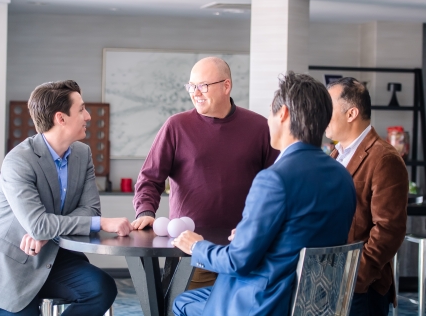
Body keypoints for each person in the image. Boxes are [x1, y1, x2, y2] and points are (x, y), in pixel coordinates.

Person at [171, 72, 357, 316]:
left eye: (271, 113)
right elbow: (302, 236)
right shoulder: (343, 176)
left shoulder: (274, 178)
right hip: (315, 304)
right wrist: (249, 236)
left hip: (264, 303)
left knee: (180, 302)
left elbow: (237, 262)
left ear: (284, 114)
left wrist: (197, 246)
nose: (268, 121)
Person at [0, 80, 133, 316]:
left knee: (101, 288)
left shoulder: (82, 154)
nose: (88, 116)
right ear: (61, 118)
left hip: (52, 258)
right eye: (81, 109)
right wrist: (103, 224)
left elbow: (90, 209)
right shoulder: (19, 161)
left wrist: (47, 234)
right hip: (10, 270)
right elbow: (38, 225)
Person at [131, 57, 279, 288]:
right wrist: (145, 211)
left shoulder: (260, 128)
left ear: (226, 86)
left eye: (203, 86)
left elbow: (277, 187)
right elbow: (149, 178)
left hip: (244, 250)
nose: (195, 93)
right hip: (189, 251)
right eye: (191, 86)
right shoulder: (176, 126)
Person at [326, 77, 408, 316]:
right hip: (329, 279)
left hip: (361, 288)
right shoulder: (334, 155)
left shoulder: (385, 158)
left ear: (351, 113)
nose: (322, 114)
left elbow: (389, 229)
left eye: (328, 107)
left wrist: (355, 277)